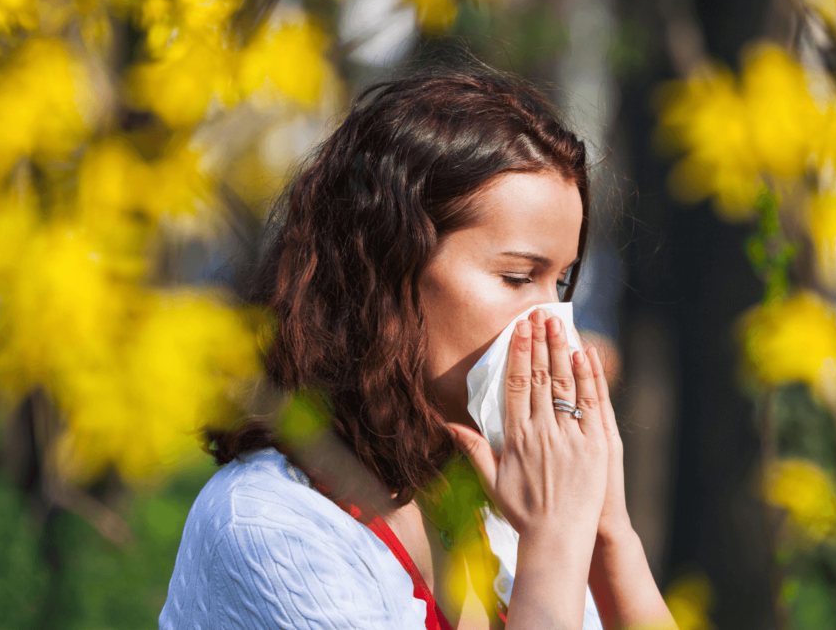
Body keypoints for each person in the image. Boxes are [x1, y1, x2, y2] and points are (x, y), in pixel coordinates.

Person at [159, 67, 676, 630]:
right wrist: (553, 544)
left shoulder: (502, 502)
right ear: (387, 268)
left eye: (561, 282)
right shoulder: (272, 526)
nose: (556, 327)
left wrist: (607, 534)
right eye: (518, 277)